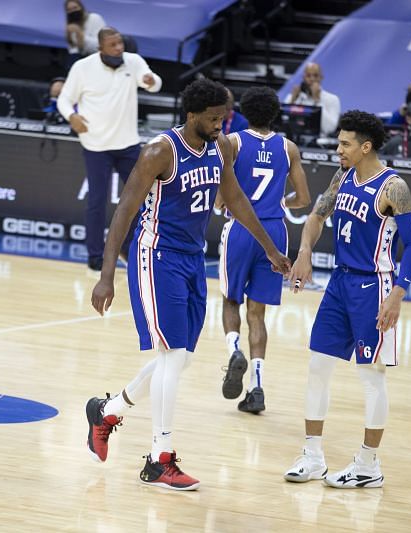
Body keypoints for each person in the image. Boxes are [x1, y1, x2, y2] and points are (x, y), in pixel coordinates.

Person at [85, 78, 292, 491]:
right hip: (156, 257)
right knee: (170, 354)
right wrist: (106, 276)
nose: (222, 124)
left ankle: (106, 411)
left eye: (225, 117)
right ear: (193, 114)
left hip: (193, 259)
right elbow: (124, 210)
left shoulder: (218, 149)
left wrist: (270, 249)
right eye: (215, 117)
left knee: (180, 360)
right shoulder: (161, 150)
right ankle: (160, 459)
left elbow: (236, 201)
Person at [283, 110, 411, 489]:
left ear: (366, 146)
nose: (338, 148)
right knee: (317, 366)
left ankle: (368, 464)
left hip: (373, 288)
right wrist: (304, 253)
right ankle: (313, 456)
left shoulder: (394, 187)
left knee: (371, 376)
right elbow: (316, 215)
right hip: (339, 285)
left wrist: (398, 292)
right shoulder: (342, 176)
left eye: (344, 144)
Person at [216, 86, 311, 413]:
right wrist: (280, 201)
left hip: (241, 228)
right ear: (275, 114)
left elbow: (220, 194)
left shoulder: (233, 142)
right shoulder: (288, 147)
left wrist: (219, 204)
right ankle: (257, 387)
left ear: (243, 111)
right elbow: (304, 199)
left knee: (230, 299)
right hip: (275, 231)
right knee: (258, 313)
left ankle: (233, 352)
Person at [57, 27, 162, 272]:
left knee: (141, 197)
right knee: (96, 201)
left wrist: (151, 81)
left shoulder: (133, 62)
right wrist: (71, 116)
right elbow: (63, 99)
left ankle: (128, 247)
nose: (119, 48)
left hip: (127, 144)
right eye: (113, 45)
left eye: (120, 43)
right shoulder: (83, 67)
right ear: (101, 48)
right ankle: (95, 254)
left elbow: (153, 82)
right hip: (95, 145)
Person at [284, 62, 341, 137]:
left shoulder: (332, 99)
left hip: (318, 144)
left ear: (321, 77)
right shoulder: (293, 97)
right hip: (293, 140)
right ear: (303, 78)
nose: (312, 79)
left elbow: (329, 129)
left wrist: (317, 100)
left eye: (315, 75)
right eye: (308, 75)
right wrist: (292, 101)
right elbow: (283, 122)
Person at [64, 0, 106, 66]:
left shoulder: (94, 18)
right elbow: (73, 50)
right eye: (69, 10)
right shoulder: (72, 25)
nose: (73, 11)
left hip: (99, 56)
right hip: (82, 58)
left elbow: (100, 45)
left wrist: (80, 34)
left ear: (81, 7)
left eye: (75, 8)